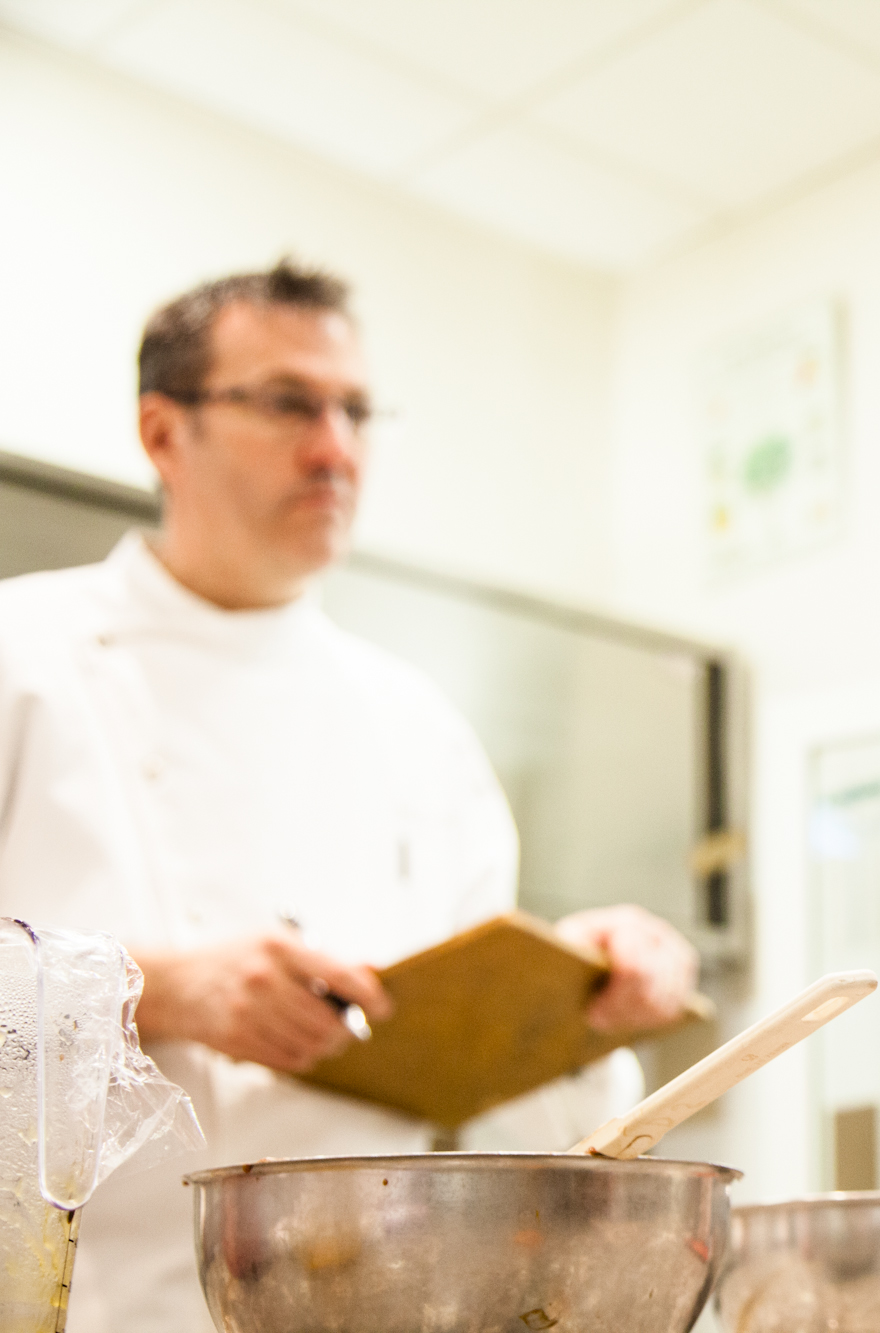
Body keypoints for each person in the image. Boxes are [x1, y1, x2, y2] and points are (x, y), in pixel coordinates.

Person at [0, 260, 701, 1331]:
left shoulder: (417, 725)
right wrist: (154, 989)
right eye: (287, 404)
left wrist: (583, 1002)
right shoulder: (23, 655)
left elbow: (485, 1099)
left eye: (355, 412)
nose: (335, 449)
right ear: (161, 433)